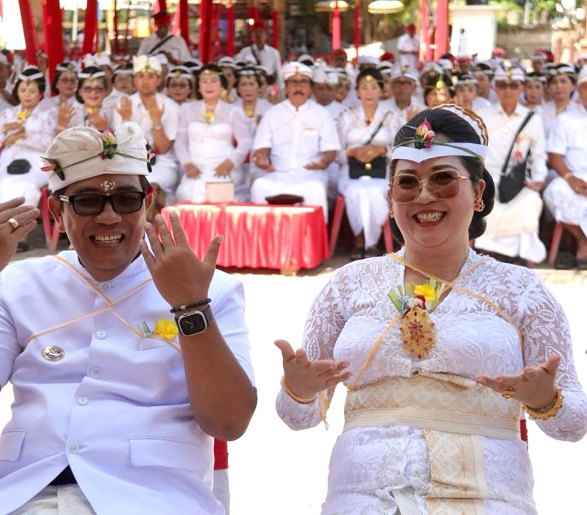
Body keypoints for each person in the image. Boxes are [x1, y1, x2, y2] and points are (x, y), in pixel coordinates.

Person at [0, 122, 257, 514]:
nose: (108, 217)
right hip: (28, 494)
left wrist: (190, 307)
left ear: (148, 203)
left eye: (126, 200)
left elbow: (229, 422)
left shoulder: (209, 289)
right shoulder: (18, 283)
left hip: (155, 496)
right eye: (87, 202)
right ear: (55, 208)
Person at [275, 104, 587, 513]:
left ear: (477, 194)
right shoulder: (348, 285)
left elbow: (573, 425)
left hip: (485, 498)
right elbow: (298, 418)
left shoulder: (520, 290)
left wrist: (546, 399)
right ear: (390, 198)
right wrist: (298, 391)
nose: (424, 195)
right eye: (408, 182)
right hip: (363, 500)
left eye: (443, 180)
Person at [251, 61, 340, 222]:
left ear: (310, 87)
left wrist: (323, 161)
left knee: (316, 190)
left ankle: (312, 244)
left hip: (310, 175)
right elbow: (262, 147)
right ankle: (265, 243)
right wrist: (262, 160)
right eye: (294, 82)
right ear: (286, 86)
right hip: (277, 174)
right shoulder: (272, 114)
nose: (298, 87)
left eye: (303, 82)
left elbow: (331, 150)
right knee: (259, 186)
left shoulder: (322, 114)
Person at [474, 68, 547, 264]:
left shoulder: (532, 119)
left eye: (514, 85)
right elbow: (474, 153)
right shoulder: (482, 116)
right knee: (486, 202)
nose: (508, 90)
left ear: (521, 87)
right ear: (495, 88)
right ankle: (490, 255)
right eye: (503, 85)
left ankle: (518, 256)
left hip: (516, 181)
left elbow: (539, 155)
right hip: (485, 178)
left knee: (531, 200)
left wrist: (538, 179)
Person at [0, 66, 55, 251]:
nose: (27, 95)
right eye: (23, 90)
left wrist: (24, 136)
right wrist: (4, 129)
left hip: (37, 162)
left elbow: (50, 143)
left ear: (40, 93)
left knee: (26, 184)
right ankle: (5, 233)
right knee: (5, 184)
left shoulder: (46, 116)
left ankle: (21, 236)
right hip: (9, 163)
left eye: (32, 91)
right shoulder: (7, 115)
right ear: (16, 91)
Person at [337, 68, 398, 259]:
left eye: (373, 88)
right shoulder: (347, 117)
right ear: (357, 91)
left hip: (382, 172)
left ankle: (371, 242)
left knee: (373, 192)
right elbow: (335, 151)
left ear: (381, 90)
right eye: (364, 88)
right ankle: (359, 239)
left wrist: (382, 150)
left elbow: (401, 149)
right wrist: (351, 151)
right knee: (356, 191)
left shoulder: (391, 116)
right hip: (350, 172)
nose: (369, 92)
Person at [174, 64, 252, 203]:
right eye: (204, 81)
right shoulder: (187, 109)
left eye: (213, 81)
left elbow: (245, 142)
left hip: (223, 167)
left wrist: (230, 162)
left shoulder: (233, 111)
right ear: (198, 86)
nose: (208, 85)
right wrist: (187, 164)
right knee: (188, 192)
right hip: (195, 166)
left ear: (222, 85)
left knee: (215, 194)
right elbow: (180, 142)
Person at [114, 55, 181, 213]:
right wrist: (126, 119)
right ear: (134, 80)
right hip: (130, 161)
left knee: (148, 185)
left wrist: (156, 121)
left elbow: (163, 148)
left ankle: (145, 232)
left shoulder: (170, 106)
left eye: (151, 76)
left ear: (159, 80)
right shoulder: (123, 105)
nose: (145, 81)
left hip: (162, 163)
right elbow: (121, 146)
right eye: (140, 76)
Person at [543, 66, 587, 269]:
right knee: (553, 191)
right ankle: (582, 241)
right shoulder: (565, 119)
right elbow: (555, 155)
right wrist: (570, 178)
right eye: (585, 87)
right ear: (579, 90)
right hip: (574, 177)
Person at [235, 21, 283, 90]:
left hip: (268, 89)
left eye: (261, 32)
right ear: (252, 36)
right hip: (250, 88)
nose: (258, 35)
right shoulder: (245, 52)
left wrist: (281, 90)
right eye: (256, 33)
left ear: (266, 35)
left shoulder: (273, 53)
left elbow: (279, 73)